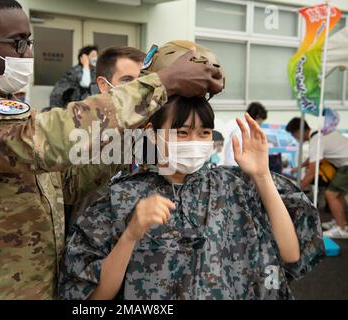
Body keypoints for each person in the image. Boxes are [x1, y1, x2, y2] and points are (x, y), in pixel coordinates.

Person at [0, 0, 224, 300]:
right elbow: (52, 140)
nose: (29, 52)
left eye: (29, 41)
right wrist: (161, 84)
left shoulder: (14, 113)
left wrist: (139, 136)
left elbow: (67, 183)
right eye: (18, 43)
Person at [59, 43, 323, 300]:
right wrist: (130, 235)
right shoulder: (122, 197)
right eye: (182, 133)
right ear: (152, 134)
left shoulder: (236, 187)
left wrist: (262, 176)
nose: (194, 142)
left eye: (204, 133)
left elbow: (290, 254)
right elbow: (94, 296)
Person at [65, 46, 147, 230]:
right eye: (127, 80)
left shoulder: (149, 129)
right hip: (90, 238)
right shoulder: (79, 131)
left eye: (142, 81)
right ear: (103, 85)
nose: (137, 89)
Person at [286, 118, 348, 239]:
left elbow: (312, 172)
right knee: (338, 195)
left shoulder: (316, 139)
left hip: (346, 165)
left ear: (299, 131)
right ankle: (341, 223)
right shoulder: (319, 134)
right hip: (344, 164)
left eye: (294, 135)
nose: (296, 138)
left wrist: (297, 190)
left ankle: (341, 229)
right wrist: (299, 167)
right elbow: (312, 158)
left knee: (331, 194)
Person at [224, 102, 268, 166]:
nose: (261, 124)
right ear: (258, 117)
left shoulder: (240, 130)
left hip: (231, 166)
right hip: (235, 167)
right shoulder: (247, 131)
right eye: (261, 121)